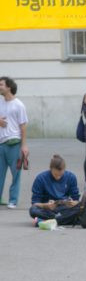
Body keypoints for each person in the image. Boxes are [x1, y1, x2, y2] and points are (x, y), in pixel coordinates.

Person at [0, 76, 29, 209]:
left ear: (8, 87)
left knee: (15, 174)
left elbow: (23, 126)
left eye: (1, 85)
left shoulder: (19, 105)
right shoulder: (0, 103)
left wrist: (24, 145)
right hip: (1, 144)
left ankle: (13, 200)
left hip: (14, 143)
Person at [29, 154, 80, 226]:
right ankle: (65, 220)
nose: (58, 177)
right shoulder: (41, 178)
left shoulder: (71, 177)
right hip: (48, 210)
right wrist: (46, 205)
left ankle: (46, 221)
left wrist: (72, 203)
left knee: (81, 207)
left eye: (61, 175)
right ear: (50, 169)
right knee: (33, 210)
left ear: (64, 169)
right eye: (55, 174)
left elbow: (76, 199)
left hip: (64, 208)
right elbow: (35, 203)